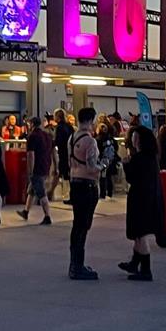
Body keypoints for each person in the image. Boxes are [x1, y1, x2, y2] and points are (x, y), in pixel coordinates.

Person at [119, 126, 165, 281]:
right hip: (149, 198)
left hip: (141, 199)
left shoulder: (140, 158)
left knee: (141, 233)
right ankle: (134, 262)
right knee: (139, 234)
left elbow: (132, 178)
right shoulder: (151, 157)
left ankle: (146, 269)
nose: (132, 139)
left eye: (135, 137)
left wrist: (126, 164)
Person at [67, 107, 103, 280]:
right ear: (91, 120)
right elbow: (91, 167)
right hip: (87, 186)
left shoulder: (72, 138)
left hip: (74, 183)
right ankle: (78, 267)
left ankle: (74, 264)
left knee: (77, 225)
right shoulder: (90, 142)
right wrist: (102, 166)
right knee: (83, 226)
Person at [17, 117, 53, 225]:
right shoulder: (47, 135)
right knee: (32, 190)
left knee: (41, 192)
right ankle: (26, 211)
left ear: (32, 124)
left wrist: (30, 171)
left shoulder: (32, 136)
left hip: (37, 167)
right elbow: (53, 152)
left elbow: (31, 155)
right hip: (46, 165)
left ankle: (47, 216)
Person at [52, 109, 74, 204]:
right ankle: (71, 194)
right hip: (71, 153)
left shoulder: (59, 128)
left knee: (63, 174)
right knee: (70, 174)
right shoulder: (69, 126)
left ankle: (64, 194)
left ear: (58, 117)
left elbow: (58, 141)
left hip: (63, 154)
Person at [96, 123, 118, 200]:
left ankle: (102, 193)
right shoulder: (111, 138)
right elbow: (116, 148)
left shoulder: (98, 139)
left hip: (103, 161)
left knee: (103, 177)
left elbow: (97, 150)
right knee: (109, 177)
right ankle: (110, 192)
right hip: (111, 160)